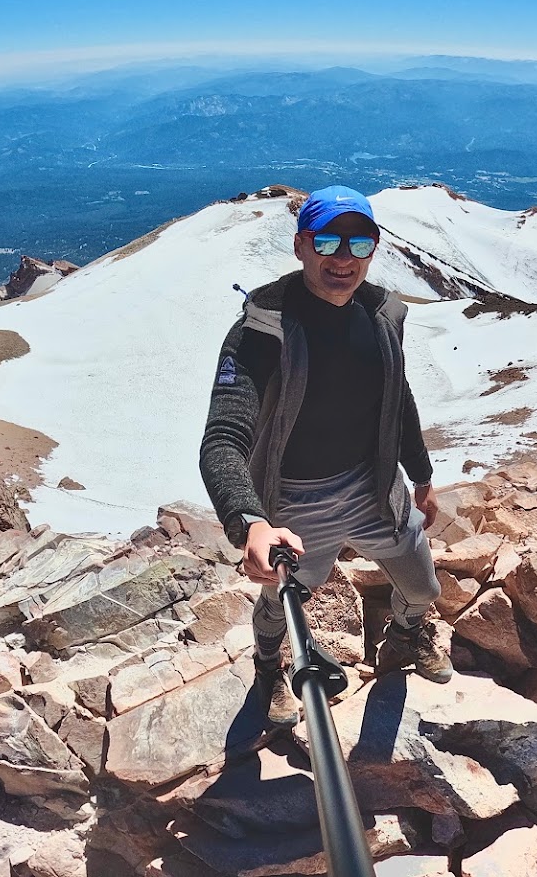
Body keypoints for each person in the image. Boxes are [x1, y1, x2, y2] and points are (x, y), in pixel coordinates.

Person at [200, 185, 452, 726]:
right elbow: (223, 437)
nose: (343, 258)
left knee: (422, 584)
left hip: (373, 487)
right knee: (281, 602)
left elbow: (396, 396)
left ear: (375, 249)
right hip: (295, 504)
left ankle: (405, 636)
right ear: (300, 247)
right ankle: (270, 669)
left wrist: (422, 475)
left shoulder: (383, 316)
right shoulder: (258, 334)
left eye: (359, 245)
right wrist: (252, 524)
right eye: (328, 242)